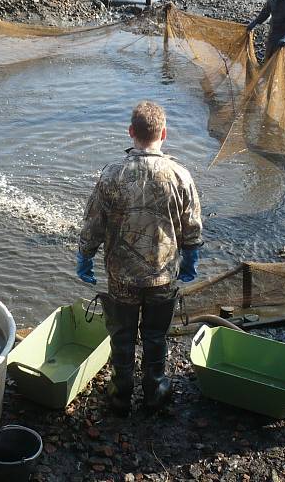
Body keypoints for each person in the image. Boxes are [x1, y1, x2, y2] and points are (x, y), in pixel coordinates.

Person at [77, 101, 203, 415]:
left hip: (122, 274)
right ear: (164, 133)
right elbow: (192, 225)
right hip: (163, 274)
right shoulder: (179, 174)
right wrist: (191, 258)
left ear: (131, 132)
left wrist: (85, 256)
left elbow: (94, 223)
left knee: (121, 335)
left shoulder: (112, 174)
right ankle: (155, 390)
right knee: (156, 334)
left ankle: (120, 392)